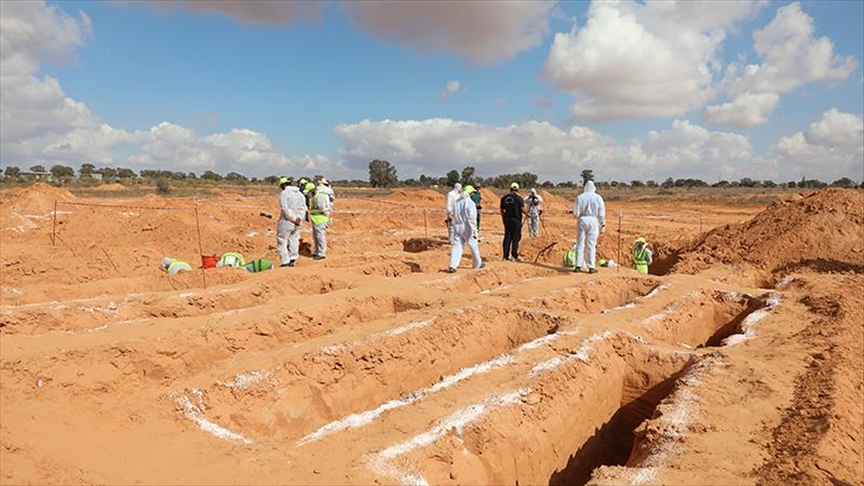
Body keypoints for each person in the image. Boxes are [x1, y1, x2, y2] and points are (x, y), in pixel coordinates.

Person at [572, 180, 606, 273]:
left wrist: (579, 216)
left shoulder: (580, 197)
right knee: (591, 244)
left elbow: (575, 213)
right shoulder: (598, 197)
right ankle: (591, 267)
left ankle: (578, 265)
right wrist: (602, 224)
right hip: (593, 220)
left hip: (582, 219)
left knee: (580, 243)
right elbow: (601, 213)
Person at [448, 185, 484, 272]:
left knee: (457, 246)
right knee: (473, 245)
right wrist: (474, 230)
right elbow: (471, 217)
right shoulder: (470, 203)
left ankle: (453, 265)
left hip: (457, 226)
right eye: (472, 193)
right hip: (467, 227)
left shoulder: (456, 202)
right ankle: (477, 264)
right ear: (469, 193)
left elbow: (453, 214)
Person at [277, 176, 307, 267]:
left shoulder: (284, 193)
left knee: (282, 240)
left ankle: (285, 261)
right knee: (294, 238)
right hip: (298, 221)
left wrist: (293, 218)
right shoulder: (300, 194)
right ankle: (293, 258)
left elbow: (285, 209)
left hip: (287, 220)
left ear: (282, 185)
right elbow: (303, 208)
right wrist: (299, 218)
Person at [500, 182, 528, 261]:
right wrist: (528, 214)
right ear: (517, 189)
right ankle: (514, 256)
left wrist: (503, 219)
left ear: (510, 189)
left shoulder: (504, 198)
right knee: (515, 238)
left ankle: (505, 256)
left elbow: (502, 210)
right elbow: (522, 209)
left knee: (507, 238)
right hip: (516, 220)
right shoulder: (519, 199)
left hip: (507, 220)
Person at [308, 183, 332, 260]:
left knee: (320, 236)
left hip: (320, 219)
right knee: (315, 237)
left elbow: (322, 209)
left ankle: (321, 253)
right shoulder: (314, 196)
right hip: (315, 219)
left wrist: (312, 210)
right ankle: (316, 252)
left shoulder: (319, 196)